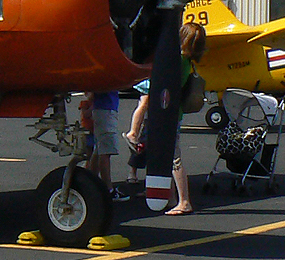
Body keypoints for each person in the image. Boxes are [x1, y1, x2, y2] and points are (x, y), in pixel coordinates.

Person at [123, 22, 206, 215]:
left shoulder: (176, 59)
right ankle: (167, 194)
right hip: (171, 113)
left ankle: (184, 201)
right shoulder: (187, 61)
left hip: (167, 114)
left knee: (173, 157)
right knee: (160, 153)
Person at [87, 91, 129, 202]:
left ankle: (91, 183)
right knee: (105, 152)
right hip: (106, 110)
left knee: (99, 149)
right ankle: (108, 189)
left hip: (104, 110)